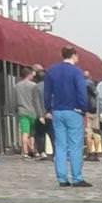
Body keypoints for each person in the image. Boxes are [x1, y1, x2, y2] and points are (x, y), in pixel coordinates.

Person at [42, 45, 92, 187]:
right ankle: (77, 177)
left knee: (60, 145)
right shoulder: (77, 72)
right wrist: (83, 108)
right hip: (74, 110)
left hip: (57, 111)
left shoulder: (52, 70)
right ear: (74, 55)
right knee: (75, 145)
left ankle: (62, 178)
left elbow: (47, 92)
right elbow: (82, 93)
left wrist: (48, 109)